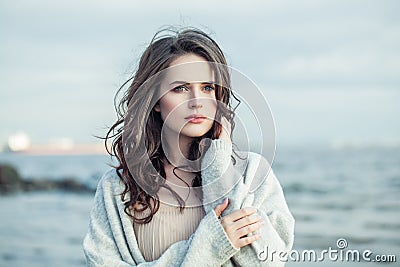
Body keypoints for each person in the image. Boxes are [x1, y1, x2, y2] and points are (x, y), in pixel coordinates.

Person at [83, 27, 295, 266]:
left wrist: (219, 165)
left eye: (207, 88)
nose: (197, 102)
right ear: (155, 101)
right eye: (180, 88)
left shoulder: (252, 172)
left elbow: (266, 262)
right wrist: (210, 246)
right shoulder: (118, 187)